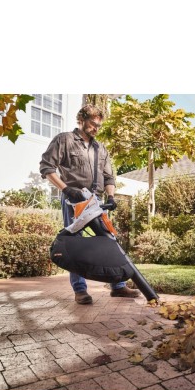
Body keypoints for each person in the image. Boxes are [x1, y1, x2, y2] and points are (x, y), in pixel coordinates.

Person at [39, 104, 139, 304]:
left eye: (99, 126)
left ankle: (118, 286)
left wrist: (111, 197)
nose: (96, 128)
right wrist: (66, 189)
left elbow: (109, 177)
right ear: (81, 120)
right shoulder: (64, 140)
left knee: (109, 240)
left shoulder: (100, 148)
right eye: (93, 124)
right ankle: (80, 290)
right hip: (73, 199)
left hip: (96, 201)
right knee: (76, 243)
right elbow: (46, 168)